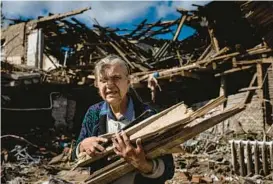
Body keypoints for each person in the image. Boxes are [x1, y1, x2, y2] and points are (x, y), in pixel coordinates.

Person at [73, 55, 174, 184]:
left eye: (116, 78)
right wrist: (82, 146)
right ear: (97, 85)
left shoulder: (148, 115)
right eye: (103, 80)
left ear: (128, 81)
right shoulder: (94, 113)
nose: (109, 85)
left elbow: (169, 170)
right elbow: (75, 155)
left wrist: (142, 164)